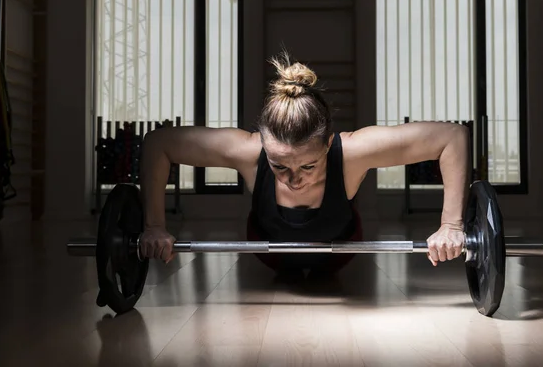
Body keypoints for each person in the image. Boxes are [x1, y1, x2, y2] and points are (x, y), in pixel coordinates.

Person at [138, 52, 470, 273]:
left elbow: (451, 138)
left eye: (308, 166)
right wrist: (154, 225)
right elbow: (158, 143)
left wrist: (451, 225)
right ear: (264, 143)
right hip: (271, 257)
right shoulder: (247, 149)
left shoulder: (353, 151)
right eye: (279, 166)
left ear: (328, 143)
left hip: (339, 254)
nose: (293, 179)